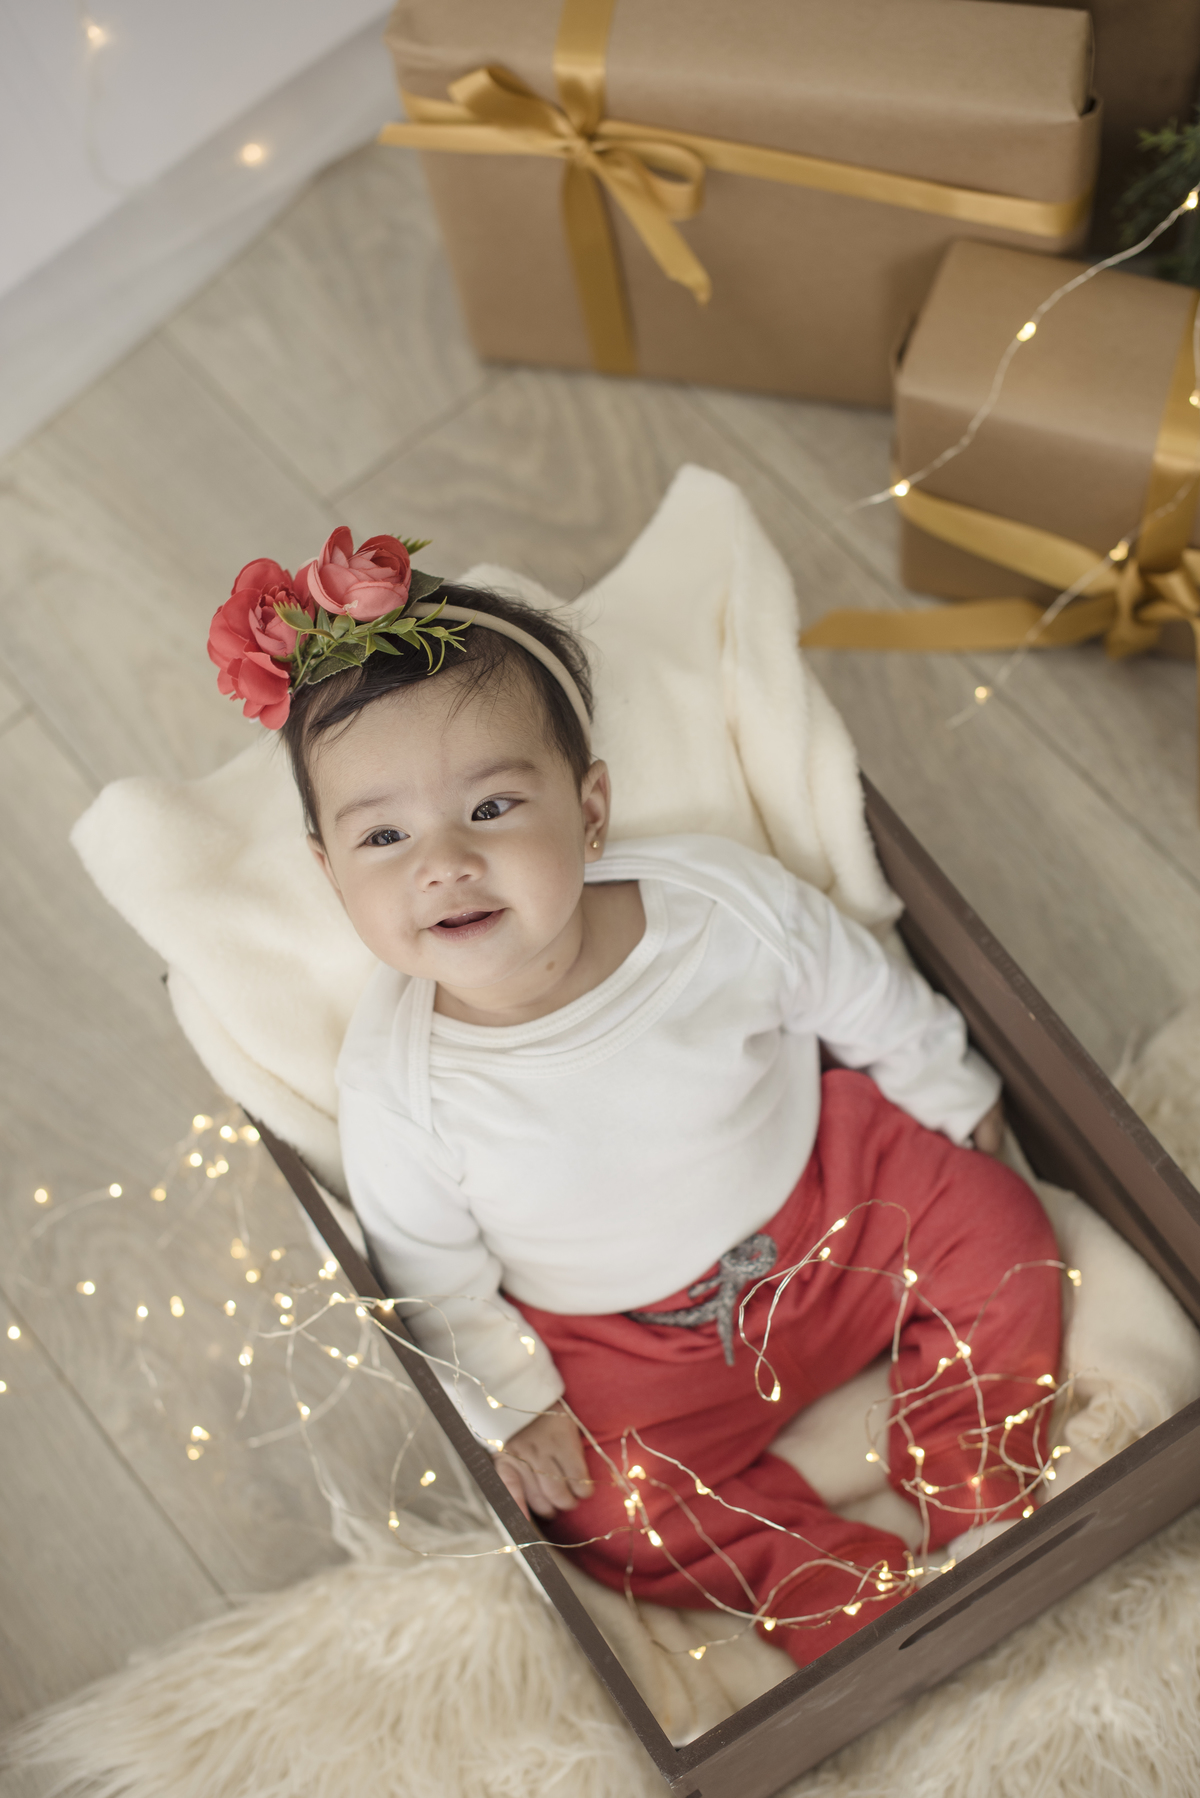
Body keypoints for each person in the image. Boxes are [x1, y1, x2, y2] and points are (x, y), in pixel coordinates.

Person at [209, 528, 1062, 1667]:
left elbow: (860, 990)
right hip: (634, 1348)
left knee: (1004, 1228)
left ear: (591, 808)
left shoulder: (715, 905)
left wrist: (955, 1098)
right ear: (330, 873)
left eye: (495, 808)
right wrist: (514, 1401)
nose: (444, 861)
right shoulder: (400, 1083)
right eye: (383, 835)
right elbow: (431, 1272)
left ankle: (976, 1483)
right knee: (604, 1517)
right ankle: (847, 1592)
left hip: (833, 1203)